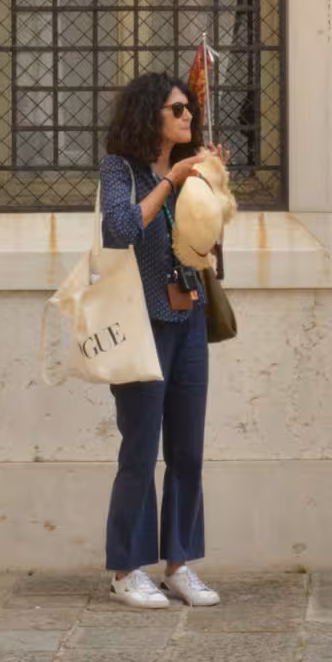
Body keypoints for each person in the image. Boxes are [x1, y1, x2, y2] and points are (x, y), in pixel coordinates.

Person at [98, 73, 227, 610]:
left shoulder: (190, 170)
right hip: (141, 322)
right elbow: (120, 229)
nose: (188, 118)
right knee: (140, 449)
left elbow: (209, 242)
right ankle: (127, 568)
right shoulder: (121, 170)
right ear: (151, 114)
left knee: (187, 449)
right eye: (178, 109)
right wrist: (171, 181)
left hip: (189, 315)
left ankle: (179, 563)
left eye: (190, 110)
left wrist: (214, 185)